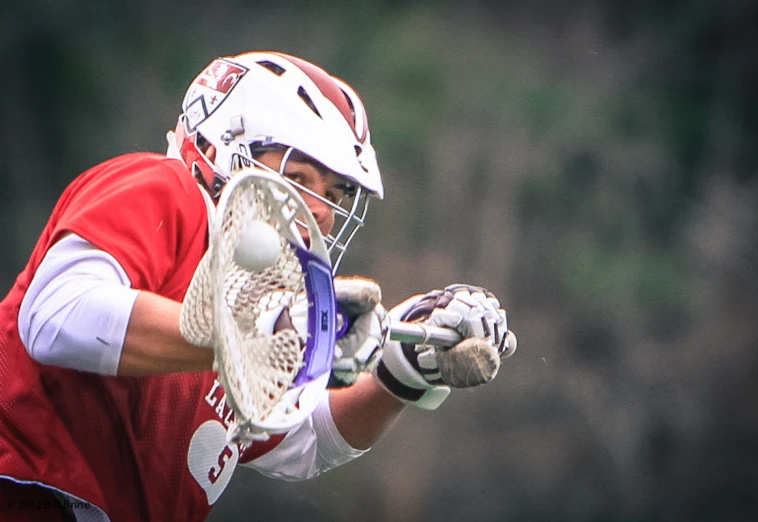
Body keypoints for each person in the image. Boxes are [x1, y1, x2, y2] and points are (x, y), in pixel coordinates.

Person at [0, 51, 516, 522]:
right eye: (301, 176)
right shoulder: (168, 190)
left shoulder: (264, 306)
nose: (321, 209)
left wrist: (398, 376)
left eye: (335, 192)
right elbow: (55, 315)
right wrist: (253, 333)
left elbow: (306, 440)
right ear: (220, 151)